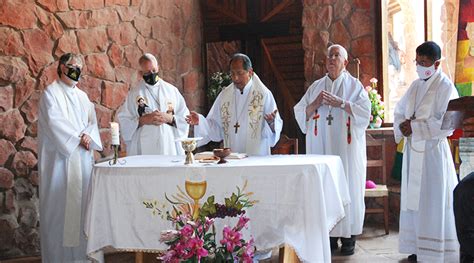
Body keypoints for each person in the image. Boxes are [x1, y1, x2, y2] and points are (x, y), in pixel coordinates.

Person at [294, 44, 371, 255]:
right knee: (324, 187)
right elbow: (301, 113)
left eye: (336, 55)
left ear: (345, 62)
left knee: (349, 186)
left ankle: (349, 238)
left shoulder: (355, 87)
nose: (331, 58)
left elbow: (365, 114)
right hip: (321, 149)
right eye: (329, 55)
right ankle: (328, 236)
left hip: (346, 150)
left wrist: (342, 103)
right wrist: (316, 103)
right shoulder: (316, 87)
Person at [394, 41, 459, 262]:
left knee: (433, 202)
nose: (420, 67)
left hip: (433, 156)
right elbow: (400, 110)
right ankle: (417, 248)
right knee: (415, 203)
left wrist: (415, 127)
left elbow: (447, 123)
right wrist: (403, 124)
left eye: (424, 62)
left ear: (437, 63)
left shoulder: (446, 86)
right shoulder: (414, 85)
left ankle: (435, 252)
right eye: (418, 62)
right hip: (414, 153)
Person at [38, 53, 102, 262]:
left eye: (80, 66)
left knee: (84, 211)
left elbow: (92, 122)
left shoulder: (83, 97)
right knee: (60, 214)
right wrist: (78, 138)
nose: (76, 70)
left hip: (82, 163)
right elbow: (55, 123)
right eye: (72, 65)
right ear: (61, 67)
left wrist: (88, 136)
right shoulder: (51, 93)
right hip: (60, 165)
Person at [186, 53, 282, 155]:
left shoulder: (263, 95)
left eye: (239, 73)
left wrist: (271, 123)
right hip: (232, 157)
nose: (235, 78)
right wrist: (200, 121)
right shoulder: (225, 96)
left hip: (256, 157)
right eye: (232, 73)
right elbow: (216, 127)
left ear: (250, 72)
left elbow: (274, 129)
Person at [117, 53, 190, 155]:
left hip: (169, 144)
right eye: (147, 72)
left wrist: (169, 118)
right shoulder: (134, 94)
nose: (151, 74)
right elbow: (124, 120)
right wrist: (142, 120)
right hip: (145, 145)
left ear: (158, 68)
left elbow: (185, 117)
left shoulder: (171, 91)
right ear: (140, 73)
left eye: (154, 70)